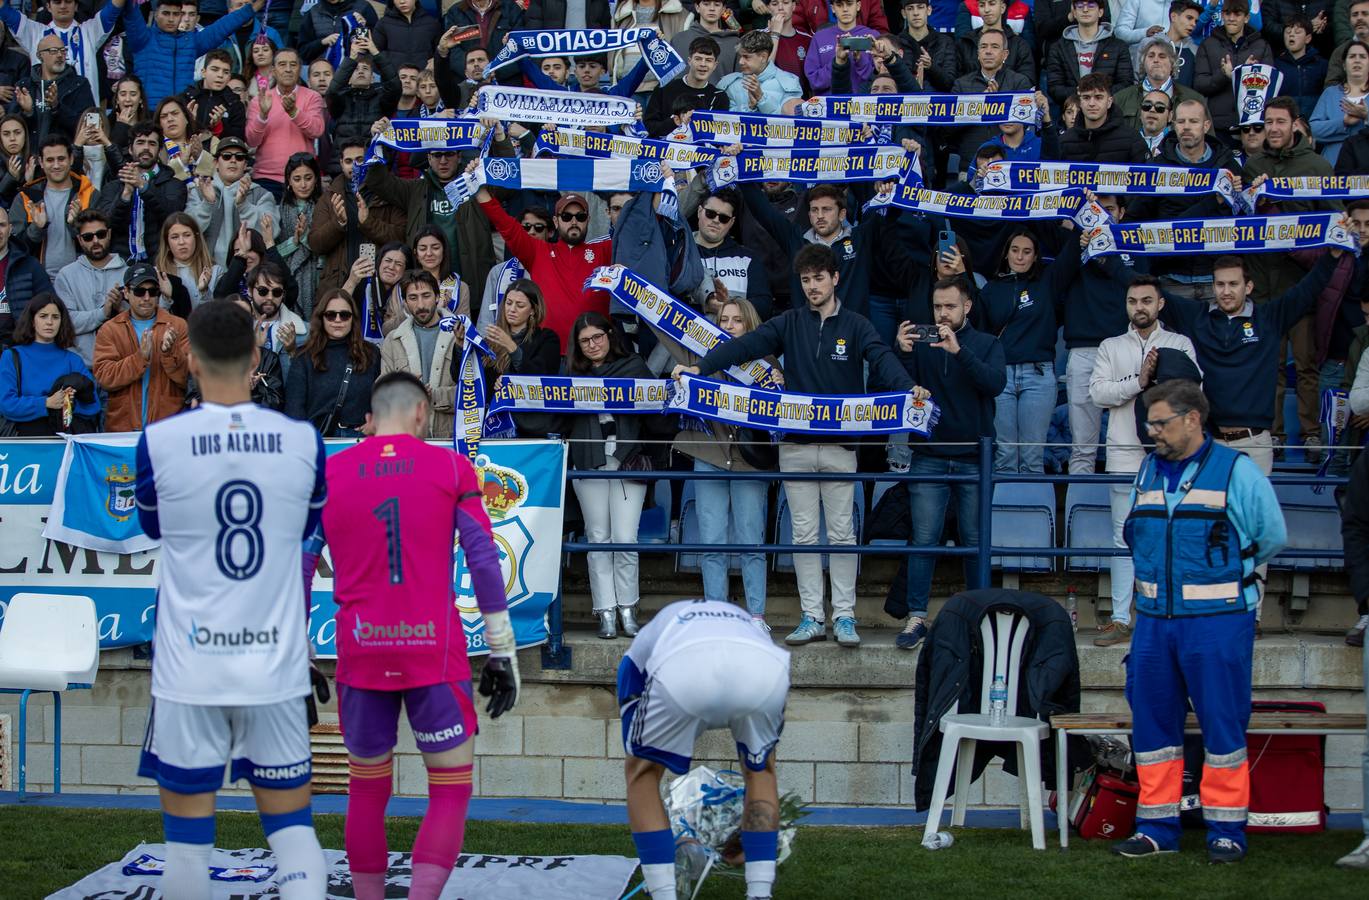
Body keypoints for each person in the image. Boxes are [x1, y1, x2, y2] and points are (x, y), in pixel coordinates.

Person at [133, 298, 327, 900]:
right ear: (256, 355)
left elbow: (154, 529)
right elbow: (301, 533)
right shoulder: (301, 440)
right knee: (293, 833)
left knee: (187, 847)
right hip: (273, 667)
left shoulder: (159, 441)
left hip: (191, 667)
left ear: (188, 359)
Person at [318, 370, 516, 900]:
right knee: (449, 791)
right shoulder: (451, 466)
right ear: (422, 415)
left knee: (365, 789)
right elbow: (483, 559)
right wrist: (501, 650)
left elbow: (296, 562)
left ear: (368, 421)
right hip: (433, 648)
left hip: (360, 646)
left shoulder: (330, 473)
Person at [673, 244, 920, 648]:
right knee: (802, 535)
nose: (812, 287)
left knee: (842, 535)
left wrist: (910, 391)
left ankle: (844, 616)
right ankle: (811, 617)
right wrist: (701, 367)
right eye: (805, 280)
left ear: (835, 278)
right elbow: (743, 347)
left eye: (819, 278)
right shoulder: (788, 322)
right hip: (796, 445)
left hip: (841, 447)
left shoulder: (857, 325)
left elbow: (882, 359)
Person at [1112, 379, 1286, 865]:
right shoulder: (1147, 469)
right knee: (1152, 729)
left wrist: (1227, 577)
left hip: (1218, 622)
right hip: (1153, 623)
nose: (1152, 433)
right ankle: (1155, 827)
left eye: (1160, 422)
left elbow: (1271, 536)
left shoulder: (1237, 471)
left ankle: (1226, 831)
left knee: (1223, 729)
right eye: (1150, 423)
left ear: (1193, 419)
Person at [619, 598, 790, 900]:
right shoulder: (741, 621)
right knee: (761, 769)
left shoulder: (646, 641)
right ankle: (760, 892)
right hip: (765, 665)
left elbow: (631, 679)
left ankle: (664, 894)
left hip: (684, 666)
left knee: (641, 774)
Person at [893, 277, 1005, 651]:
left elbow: (994, 384)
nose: (942, 314)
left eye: (950, 307)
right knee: (923, 541)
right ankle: (916, 617)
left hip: (975, 457)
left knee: (976, 542)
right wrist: (903, 352)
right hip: (928, 455)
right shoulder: (922, 345)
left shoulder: (987, 344)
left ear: (967, 307)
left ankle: (979, 616)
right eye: (938, 307)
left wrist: (960, 352)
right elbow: (900, 388)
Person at [1088, 275, 1201, 647]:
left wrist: (1156, 387)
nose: (1140, 307)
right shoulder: (1110, 345)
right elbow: (1098, 393)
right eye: (1133, 300)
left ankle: (1169, 612)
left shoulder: (1178, 343)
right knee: (1124, 537)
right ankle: (1121, 618)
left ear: (1160, 304)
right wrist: (1139, 381)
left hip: (1169, 455)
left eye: (1147, 300)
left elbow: (1194, 391)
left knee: (1170, 533)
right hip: (1123, 452)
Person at [672, 297, 776, 627]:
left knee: (751, 541)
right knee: (711, 541)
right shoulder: (704, 359)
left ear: (750, 324)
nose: (729, 326)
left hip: (749, 462)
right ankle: (716, 614)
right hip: (710, 456)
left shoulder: (767, 363)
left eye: (736, 320)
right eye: (724, 320)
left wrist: (779, 385)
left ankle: (756, 615)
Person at [565, 311, 659, 639]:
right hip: (588, 462)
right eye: (585, 341)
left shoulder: (634, 366)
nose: (592, 345)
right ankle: (605, 610)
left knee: (625, 538)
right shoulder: (570, 376)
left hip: (627, 461)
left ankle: (628, 609)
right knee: (598, 538)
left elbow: (656, 411)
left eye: (598, 337)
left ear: (610, 335)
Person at [473, 169, 611, 352]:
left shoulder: (604, 250)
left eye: (580, 216)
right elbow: (505, 224)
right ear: (555, 221)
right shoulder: (538, 252)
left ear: (589, 220)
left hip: (593, 355)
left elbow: (639, 232)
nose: (574, 222)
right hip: (548, 356)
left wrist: (661, 184)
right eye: (567, 217)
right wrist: (478, 185)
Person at [979, 226, 1081, 473]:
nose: (1020, 256)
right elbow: (981, 335)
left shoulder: (1048, 281)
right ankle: (1004, 513)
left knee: (1032, 458)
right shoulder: (991, 289)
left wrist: (1077, 222)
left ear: (1036, 256)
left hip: (1038, 376)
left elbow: (1074, 249)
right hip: (1001, 377)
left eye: (1027, 251)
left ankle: (1032, 512)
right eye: (1015, 250)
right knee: (1004, 456)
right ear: (1006, 254)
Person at [92, 261, 189, 432]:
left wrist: (169, 353)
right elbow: (105, 378)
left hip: (168, 429)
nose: (146, 297)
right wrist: (140, 359)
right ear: (126, 293)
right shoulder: (110, 329)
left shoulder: (178, 326)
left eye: (152, 292)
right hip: (122, 429)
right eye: (139, 291)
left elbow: (187, 379)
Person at [120, 0, 265, 108]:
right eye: (166, 13)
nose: (171, 19)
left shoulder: (190, 42)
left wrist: (253, 7)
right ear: (155, 15)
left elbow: (223, 27)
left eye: (176, 14)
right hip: (150, 112)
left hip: (183, 112)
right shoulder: (143, 38)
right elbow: (131, 12)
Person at [309, 139, 406, 297]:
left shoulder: (387, 193)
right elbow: (315, 244)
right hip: (339, 284)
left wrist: (369, 223)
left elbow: (402, 236)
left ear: (369, 160)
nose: (354, 165)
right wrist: (338, 224)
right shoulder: (329, 197)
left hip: (380, 284)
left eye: (360, 160)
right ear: (341, 163)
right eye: (348, 161)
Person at [0, 292, 100, 434]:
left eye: (55, 317)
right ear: (32, 321)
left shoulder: (73, 360)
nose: (49, 322)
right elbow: (7, 405)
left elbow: (94, 406)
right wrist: (46, 403)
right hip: (23, 443)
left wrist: (70, 403)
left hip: (64, 443)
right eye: (43, 316)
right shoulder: (11, 356)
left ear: (62, 321)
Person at [284, 288, 380, 437]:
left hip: (360, 441)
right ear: (321, 318)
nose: (337, 320)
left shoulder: (371, 353)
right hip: (318, 440)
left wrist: (376, 422)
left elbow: (382, 398)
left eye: (344, 315)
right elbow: (294, 408)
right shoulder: (303, 356)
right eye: (330, 315)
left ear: (353, 318)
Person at [378, 271, 458, 439]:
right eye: (413, 298)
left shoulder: (461, 335)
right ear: (405, 303)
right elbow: (381, 394)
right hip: (407, 438)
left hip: (451, 438)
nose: (421, 304)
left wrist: (433, 395)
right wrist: (403, 390)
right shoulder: (393, 340)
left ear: (437, 297)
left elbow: (473, 393)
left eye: (426, 296)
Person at [96, 121, 188, 263]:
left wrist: (143, 186)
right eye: (140, 142)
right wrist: (125, 194)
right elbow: (105, 226)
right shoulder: (113, 187)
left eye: (152, 143)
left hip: (160, 263)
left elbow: (171, 217)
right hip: (119, 263)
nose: (146, 148)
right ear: (131, 149)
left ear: (159, 151)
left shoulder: (174, 184)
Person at [0, 0, 125, 105]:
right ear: (48, 6)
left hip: (85, 118)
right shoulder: (34, 32)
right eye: (57, 2)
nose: (63, 6)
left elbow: (114, 8)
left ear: (76, 6)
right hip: (47, 120)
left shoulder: (90, 30)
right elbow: (5, 11)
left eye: (68, 1)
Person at [10, 135, 95, 280]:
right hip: (37, 281)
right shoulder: (26, 197)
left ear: (71, 159)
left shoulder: (89, 194)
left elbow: (99, 245)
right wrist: (37, 228)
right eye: (50, 160)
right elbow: (14, 248)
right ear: (41, 163)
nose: (56, 165)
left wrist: (76, 225)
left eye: (61, 159)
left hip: (81, 279)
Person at [244, 47, 325, 200]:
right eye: (282, 64)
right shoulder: (260, 99)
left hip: (303, 179)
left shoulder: (312, 97)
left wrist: (294, 112)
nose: (288, 69)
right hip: (266, 178)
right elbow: (251, 141)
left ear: (299, 69)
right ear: (273, 71)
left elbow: (317, 130)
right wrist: (263, 115)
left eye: (293, 65)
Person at [186, 135, 278, 267]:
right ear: (216, 163)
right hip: (205, 272)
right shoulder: (199, 192)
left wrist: (244, 205)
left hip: (249, 272)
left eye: (239, 157)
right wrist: (207, 204)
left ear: (245, 164)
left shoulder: (261, 194)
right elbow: (186, 232)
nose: (233, 160)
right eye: (227, 156)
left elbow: (272, 231)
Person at [54, 208, 126, 365]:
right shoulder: (66, 275)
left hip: (122, 366)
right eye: (88, 237)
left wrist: (121, 308)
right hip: (80, 368)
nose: (95, 241)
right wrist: (103, 312)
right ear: (79, 240)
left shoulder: (128, 273)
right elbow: (65, 323)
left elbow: (144, 318)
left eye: (100, 234)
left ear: (109, 233)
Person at [1193, 0, 1276, 133]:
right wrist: (1223, 75)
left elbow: (1269, 88)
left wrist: (1246, 75)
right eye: (1227, 13)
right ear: (1222, 15)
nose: (1231, 18)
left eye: (1237, 14)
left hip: (1251, 126)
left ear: (1247, 18)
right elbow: (1199, 85)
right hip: (1217, 125)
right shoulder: (1208, 44)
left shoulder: (1261, 45)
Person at [692, 187, 773, 319]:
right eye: (710, 214)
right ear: (699, 211)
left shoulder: (748, 258)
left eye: (724, 218)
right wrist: (705, 304)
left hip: (736, 338)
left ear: (731, 222)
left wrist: (728, 307)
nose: (716, 220)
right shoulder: (680, 253)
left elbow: (764, 307)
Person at [1046, 0, 1136, 106]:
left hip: (1109, 114)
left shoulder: (1118, 46)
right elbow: (1054, 87)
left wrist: (1098, 95)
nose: (1085, 9)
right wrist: (1083, 95)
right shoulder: (1058, 48)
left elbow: (1126, 83)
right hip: (1072, 114)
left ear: (1101, 12)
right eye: (1080, 5)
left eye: (1091, 5)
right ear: (1074, 12)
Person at [12, 33, 96, 148]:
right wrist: (27, 112)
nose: (60, 55)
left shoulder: (79, 85)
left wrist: (57, 108)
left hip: (63, 158)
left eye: (63, 50)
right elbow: (10, 127)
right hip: (31, 159)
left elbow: (88, 127)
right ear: (40, 55)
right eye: (53, 51)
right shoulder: (24, 86)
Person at [1056, 73, 1153, 162]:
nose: (1092, 104)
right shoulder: (1064, 141)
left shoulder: (1132, 139)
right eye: (1086, 97)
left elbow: (1148, 177)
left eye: (1098, 97)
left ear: (1109, 102)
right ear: (1080, 102)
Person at [1113, 36, 1208, 126]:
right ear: (1143, 63)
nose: (1156, 60)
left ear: (1173, 64)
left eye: (1162, 56)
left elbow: (1209, 140)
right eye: (1151, 56)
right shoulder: (1121, 99)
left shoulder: (1195, 99)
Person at [643, 37, 728, 136]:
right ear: (689, 60)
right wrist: (675, 122)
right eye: (698, 59)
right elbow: (649, 127)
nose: (703, 64)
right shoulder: (665, 88)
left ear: (715, 65)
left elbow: (720, 135)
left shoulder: (719, 97)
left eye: (708, 60)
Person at [277, 153, 323, 321]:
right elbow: (273, 253)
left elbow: (328, 247)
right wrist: (295, 241)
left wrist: (305, 237)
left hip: (318, 276)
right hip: (287, 276)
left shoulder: (325, 206)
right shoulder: (279, 210)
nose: (303, 185)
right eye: (297, 179)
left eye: (308, 178)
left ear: (316, 179)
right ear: (288, 181)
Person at [0, 203, 53, 348]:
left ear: (10, 229)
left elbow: (49, 306)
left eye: (2, 225)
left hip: (20, 348)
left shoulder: (30, 266)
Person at [1309, 38, 1368, 164]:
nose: (1357, 60)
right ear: (1344, 65)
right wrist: (1343, 123)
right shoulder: (1330, 93)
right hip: (1334, 167)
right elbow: (1313, 130)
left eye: (1362, 56)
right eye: (1352, 56)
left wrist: (1366, 116)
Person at [805, 0, 881, 95]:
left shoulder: (872, 36)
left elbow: (878, 79)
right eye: (839, 5)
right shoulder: (819, 38)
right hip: (829, 105)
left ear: (858, 6)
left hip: (863, 105)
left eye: (849, 4)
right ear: (833, 8)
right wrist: (837, 62)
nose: (845, 9)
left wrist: (860, 60)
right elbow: (813, 81)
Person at [722, 28, 803, 113]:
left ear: (763, 57)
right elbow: (723, 119)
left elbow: (788, 119)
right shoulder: (729, 83)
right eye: (740, 56)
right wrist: (749, 107)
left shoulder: (789, 82)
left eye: (746, 57)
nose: (740, 62)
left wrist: (761, 98)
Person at [183, 48, 247, 143]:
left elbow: (237, 140)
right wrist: (189, 122)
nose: (220, 75)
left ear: (229, 77)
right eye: (215, 70)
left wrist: (219, 126)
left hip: (219, 156)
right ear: (203, 72)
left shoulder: (235, 104)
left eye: (225, 72)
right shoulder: (186, 98)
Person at [672, 0, 742, 83]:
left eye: (717, 4)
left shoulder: (735, 43)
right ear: (697, 7)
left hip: (722, 95)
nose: (712, 8)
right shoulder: (679, 39)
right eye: (706, 4)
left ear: (723, 9)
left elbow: (739, 81)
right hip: (681, 95)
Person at [1277, 14, 1331, 118]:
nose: (1291, 35)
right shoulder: (1276, 66)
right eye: (1288, 32)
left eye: (1297, 32)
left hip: (1314, 121)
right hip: (1286, 121)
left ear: (1308, 38)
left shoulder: (1321, 65)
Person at [897, 0, 958, 91]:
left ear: (929, 10)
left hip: (938, 102)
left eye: (920, 7)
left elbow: (950, 83)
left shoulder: (945, 42)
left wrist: (931, 67)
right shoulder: (896, 43)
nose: (916, 13)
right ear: (903, 13)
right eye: (910, 8)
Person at [372, 0, 444, 71]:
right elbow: (375, 53)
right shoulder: (383, 23)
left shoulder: (432, 23)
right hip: (394, 78)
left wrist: (435, 61)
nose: (402, 1)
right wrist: (388, 70)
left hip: (423, 78)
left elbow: (441, 51)